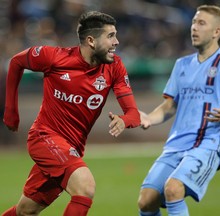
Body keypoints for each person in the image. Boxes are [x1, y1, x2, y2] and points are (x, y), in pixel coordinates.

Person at [2, 11, 140, 216]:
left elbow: (134, 115)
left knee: (25, 211)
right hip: (44, 137)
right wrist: (11, 110)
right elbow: (16, 62)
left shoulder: (115, 67)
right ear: (91, 40)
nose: (117, 42)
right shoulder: (54, 57)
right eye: (110, 36)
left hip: (71, 148)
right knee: (85, 186)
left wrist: (124, 120)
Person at [137, 5, 220, 216]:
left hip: (207, 145)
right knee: (146, 202)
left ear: (216, 31)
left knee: (173, 189)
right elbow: (168, 107)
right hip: (175, 145)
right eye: (193, 22)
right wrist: (148, 118)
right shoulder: (181, 64)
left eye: (201, 23)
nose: (194, 28)